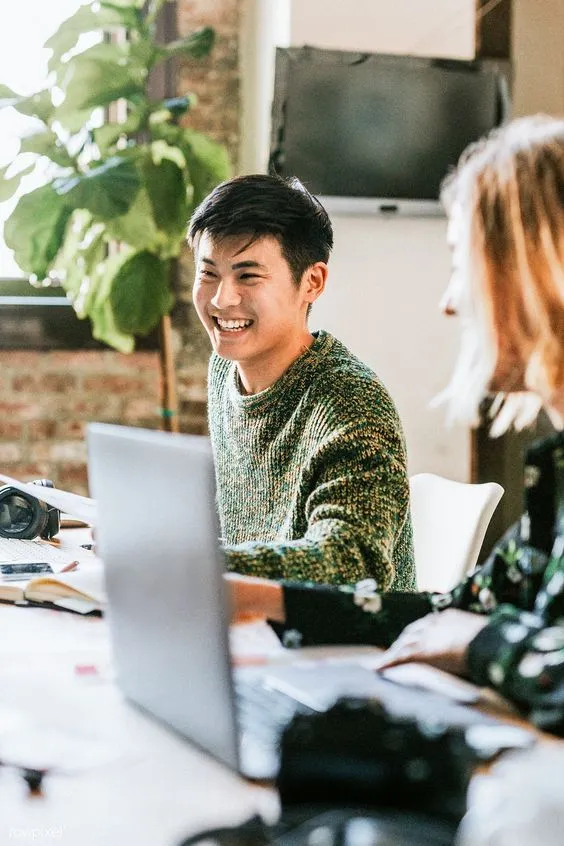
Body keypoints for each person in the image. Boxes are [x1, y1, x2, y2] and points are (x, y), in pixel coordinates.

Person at [227, 115, 564, 734]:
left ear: (537, 274)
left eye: (464, 265)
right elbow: (448, 613)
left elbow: (484, 637)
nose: (450, 301)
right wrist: (260, 598)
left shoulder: (345, 397)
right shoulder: (557, 479)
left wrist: (480, 644)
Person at [187, 174, 415, 591]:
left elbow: (349, 563)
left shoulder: (351, 401)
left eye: (248, 276)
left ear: (312, 282)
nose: (222, 299)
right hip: (259, 627)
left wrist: (192, 561)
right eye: (209, 274)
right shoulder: (225, 371)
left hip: (349, 646)